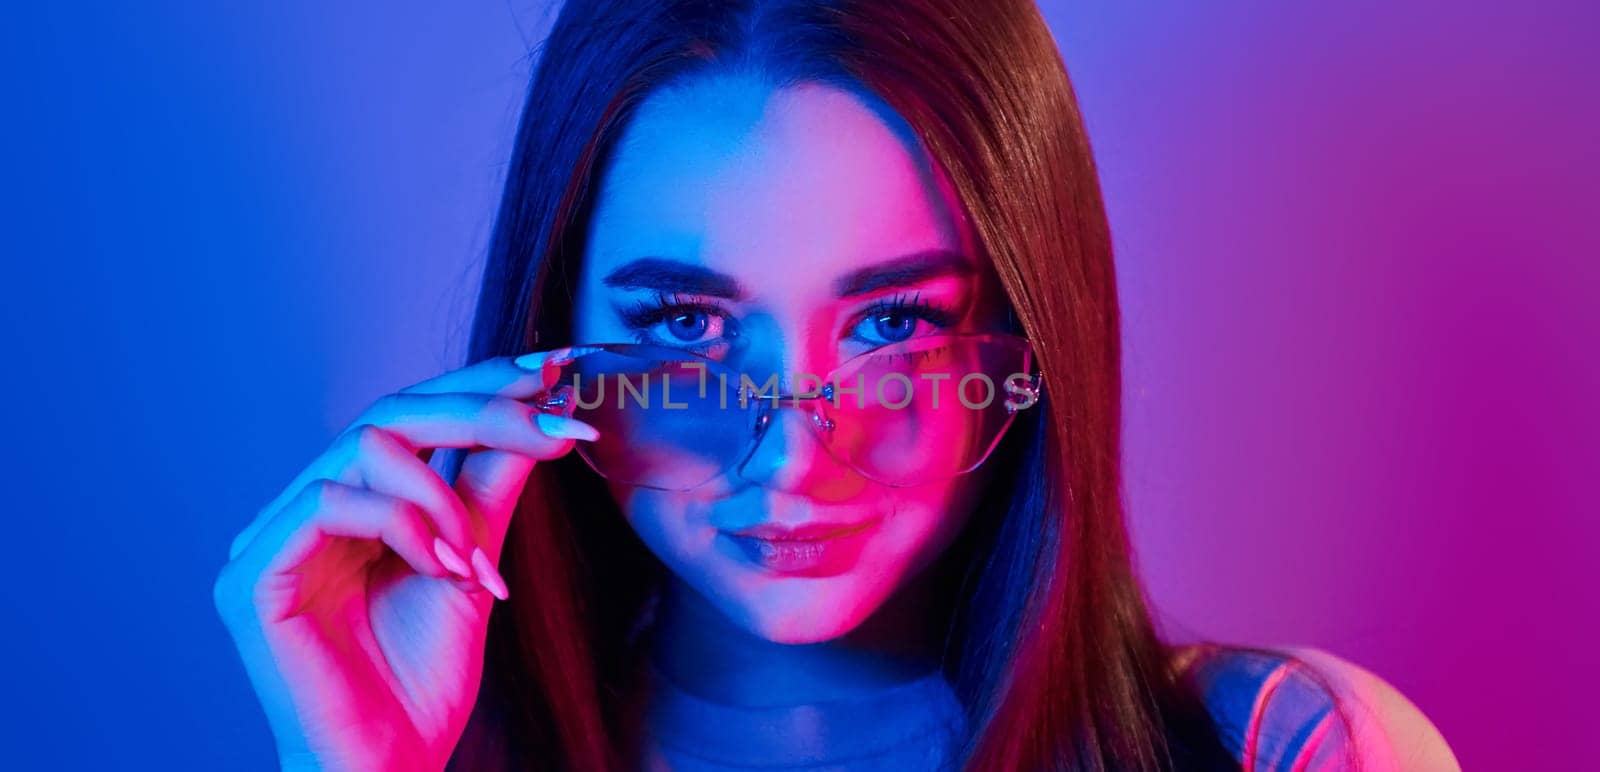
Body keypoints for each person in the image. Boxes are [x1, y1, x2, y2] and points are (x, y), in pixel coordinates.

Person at [212, 0, 1459, 769]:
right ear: (550, 341)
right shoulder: (406, 757)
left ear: (1029, 332)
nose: (795, 463)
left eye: (897, 326)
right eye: (688, 327)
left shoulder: (1285, 752)